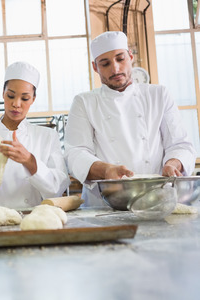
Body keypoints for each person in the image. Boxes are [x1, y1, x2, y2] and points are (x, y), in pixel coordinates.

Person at [64, 31, 196, 207]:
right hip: (106, 203)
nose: (115, 69)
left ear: (131, 57)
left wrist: (173, 163)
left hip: (156, 199)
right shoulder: (84, 102)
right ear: (95, 68)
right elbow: (75, 153)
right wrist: (106, 170)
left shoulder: (158, 94)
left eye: (120, 59)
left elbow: (180, 144)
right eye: (105, 64)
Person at [0, 61, 70, 210]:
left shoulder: (47, 137)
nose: (16, 104)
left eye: (24, 98)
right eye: (11, 96)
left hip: (32, 222)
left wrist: (30, 161)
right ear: (3, 94)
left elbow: (57, 190)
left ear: (33, 99)